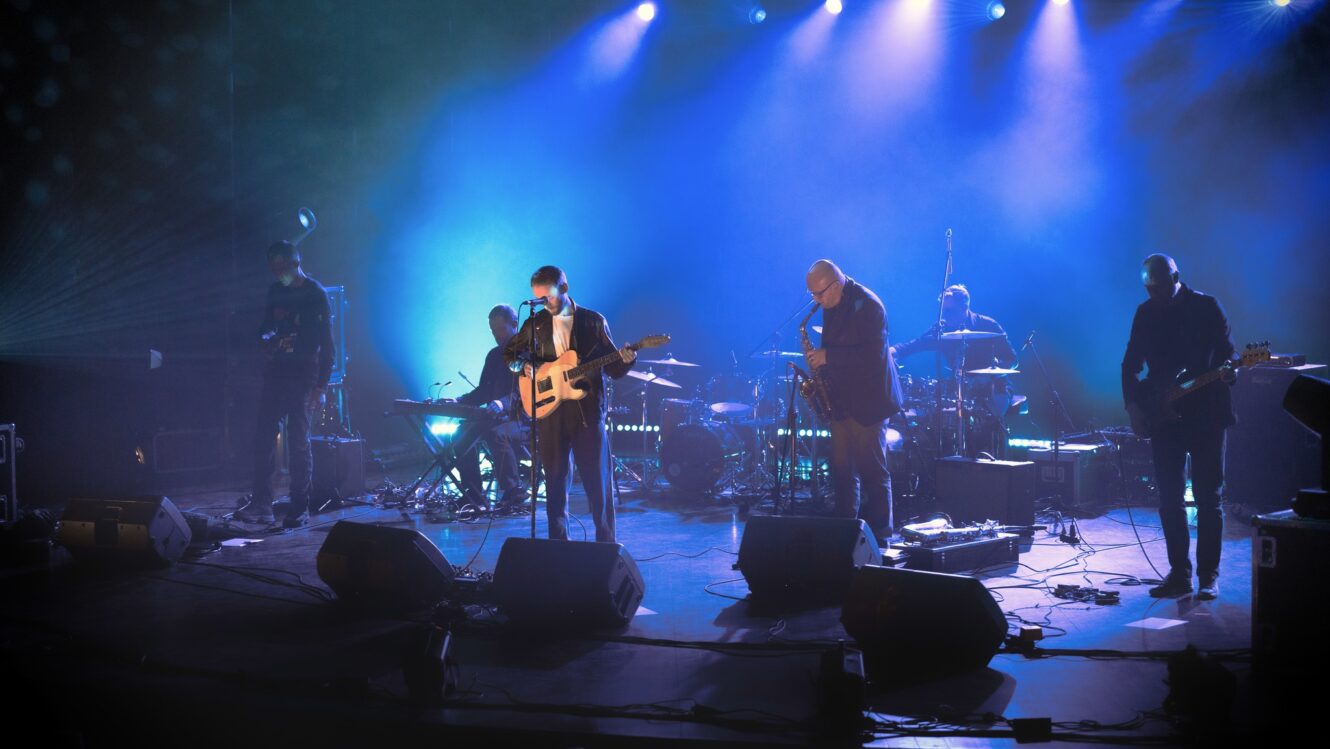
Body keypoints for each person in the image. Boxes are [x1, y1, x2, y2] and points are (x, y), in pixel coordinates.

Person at [1122, 254, 1235, 600]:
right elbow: (1130, 365)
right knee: (1169, 499)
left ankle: (1208, 577)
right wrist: (1134, 409)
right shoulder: (1145, 313)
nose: (1155, 294)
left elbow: (1228, 356)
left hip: (1206, 415)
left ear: (1176, 277)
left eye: (1160, 287)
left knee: (1208, 499)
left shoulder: (1207, 307)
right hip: (1163, 418)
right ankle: (1179, 575)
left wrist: (1229, 372)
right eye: (1149, 289)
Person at [503, 266, 636, 542]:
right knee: (554, 482)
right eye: (539, 298)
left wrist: (626, 360)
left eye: (548, 296)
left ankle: (605, 546)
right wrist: (525, 367)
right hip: (549, 411)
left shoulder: (593, 322)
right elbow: (510, 355)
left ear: (564, 288)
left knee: (598, 484)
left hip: (587, 413)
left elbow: (613, 369)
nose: (544, 303)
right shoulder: (535, 323)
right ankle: (558, 546)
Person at [803, 260, 904, 542]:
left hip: (871, 400)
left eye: (819, 294)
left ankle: (882, 534)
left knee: (872, 469)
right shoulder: (831, 302)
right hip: (843, 399)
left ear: (835, 285)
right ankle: (845, 529)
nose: (816, 300)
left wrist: (827, 357)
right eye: (812, 294)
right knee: (842, 469)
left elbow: (872, 357)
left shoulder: (869, 306)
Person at [236, 240, 334, 528]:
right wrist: (266, 339)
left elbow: (327, 344)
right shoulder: (276, 291)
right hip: (277, 373)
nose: (278, 273)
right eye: (273, 268)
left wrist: (321, 386)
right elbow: (265, 327)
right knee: (263, 436)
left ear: (295, 263)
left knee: (298, 441)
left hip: (303, 376)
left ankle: (299, 507)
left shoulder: (315, 294)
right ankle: (262, 504)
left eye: (282, 268)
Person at [890, 284, 1019, 455]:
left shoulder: (987, 325)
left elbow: (1012, 359)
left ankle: (994, 451)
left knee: (989, 422)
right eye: (943, 311)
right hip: (960, 388)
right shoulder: (942, 329)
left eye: (949, 311)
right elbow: (917, 344)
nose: (944, 316)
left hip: (994, 387)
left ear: (964, 307)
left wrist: (990, 375)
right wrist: (893, 351)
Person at [453, 304, 528, 508]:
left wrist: (502, 403)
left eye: (501, 329)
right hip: (497, 417)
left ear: (514, 324)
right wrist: (460, 400)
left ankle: (513, 491)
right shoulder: (494, 355)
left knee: (496, 433)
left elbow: (529, 390)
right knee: (460, 436)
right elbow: (483, 391)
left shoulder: (527, 352)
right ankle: (474, 494)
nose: (497, 336)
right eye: (493, 331)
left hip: (524, 419)